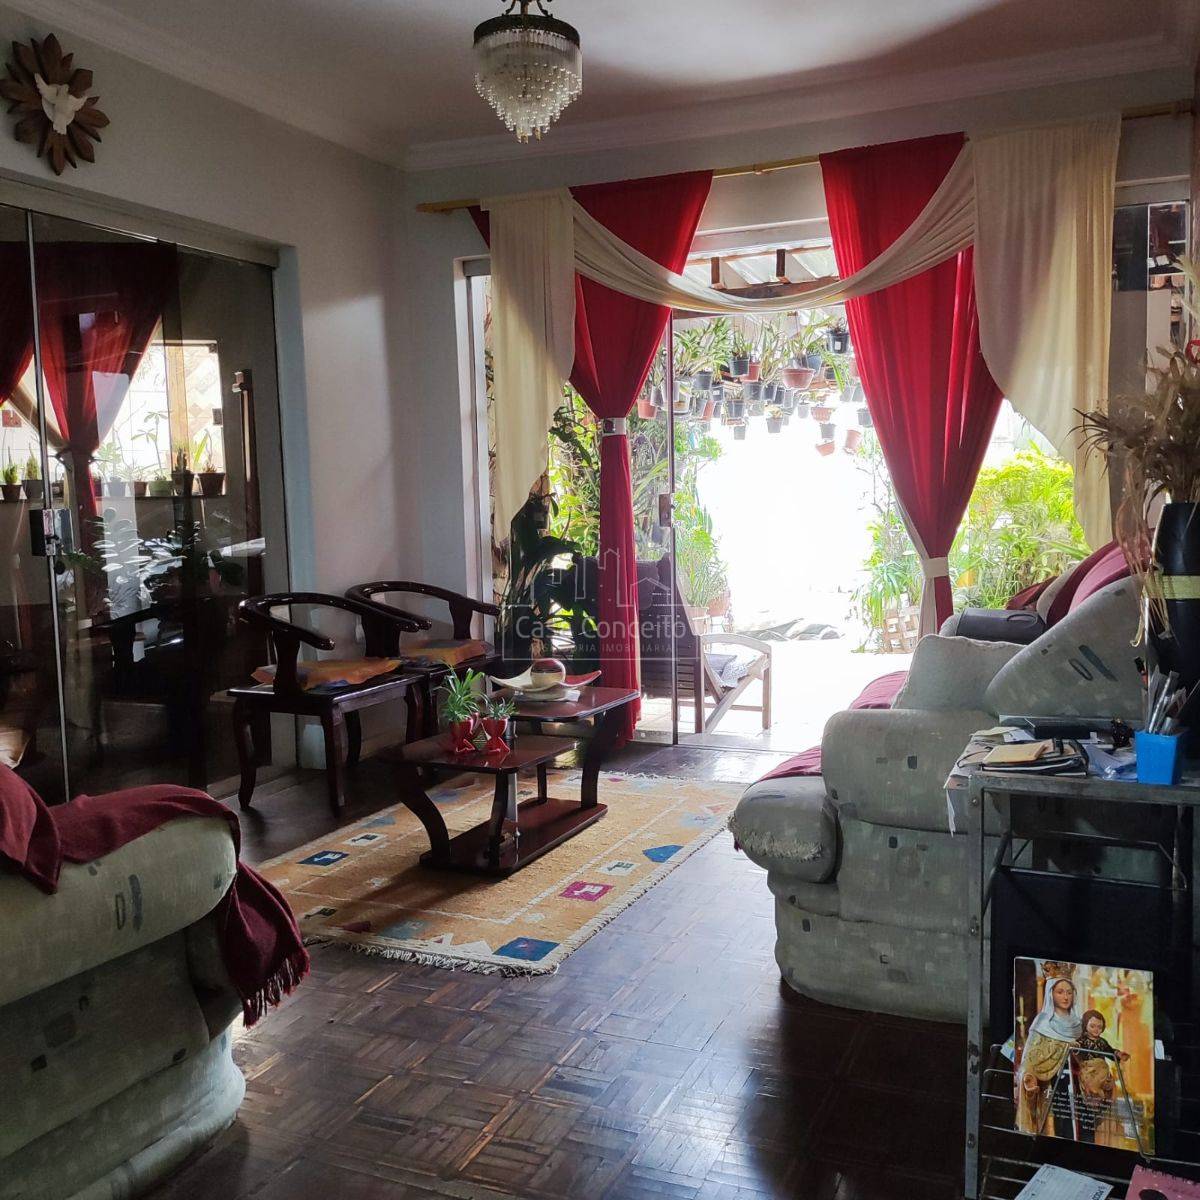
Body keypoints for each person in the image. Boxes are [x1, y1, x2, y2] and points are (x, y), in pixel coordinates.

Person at [1016, 976, 1082, 1135]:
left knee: (1071, 1125)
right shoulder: (1042, 1022)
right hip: (1047, 1083)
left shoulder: (1078, 1024)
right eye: (1060, 992)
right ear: (1051, 994)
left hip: (1071, 1082)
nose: (1065, 997)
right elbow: (1031, 1058)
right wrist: (1066, 1046)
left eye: (1069, 992)